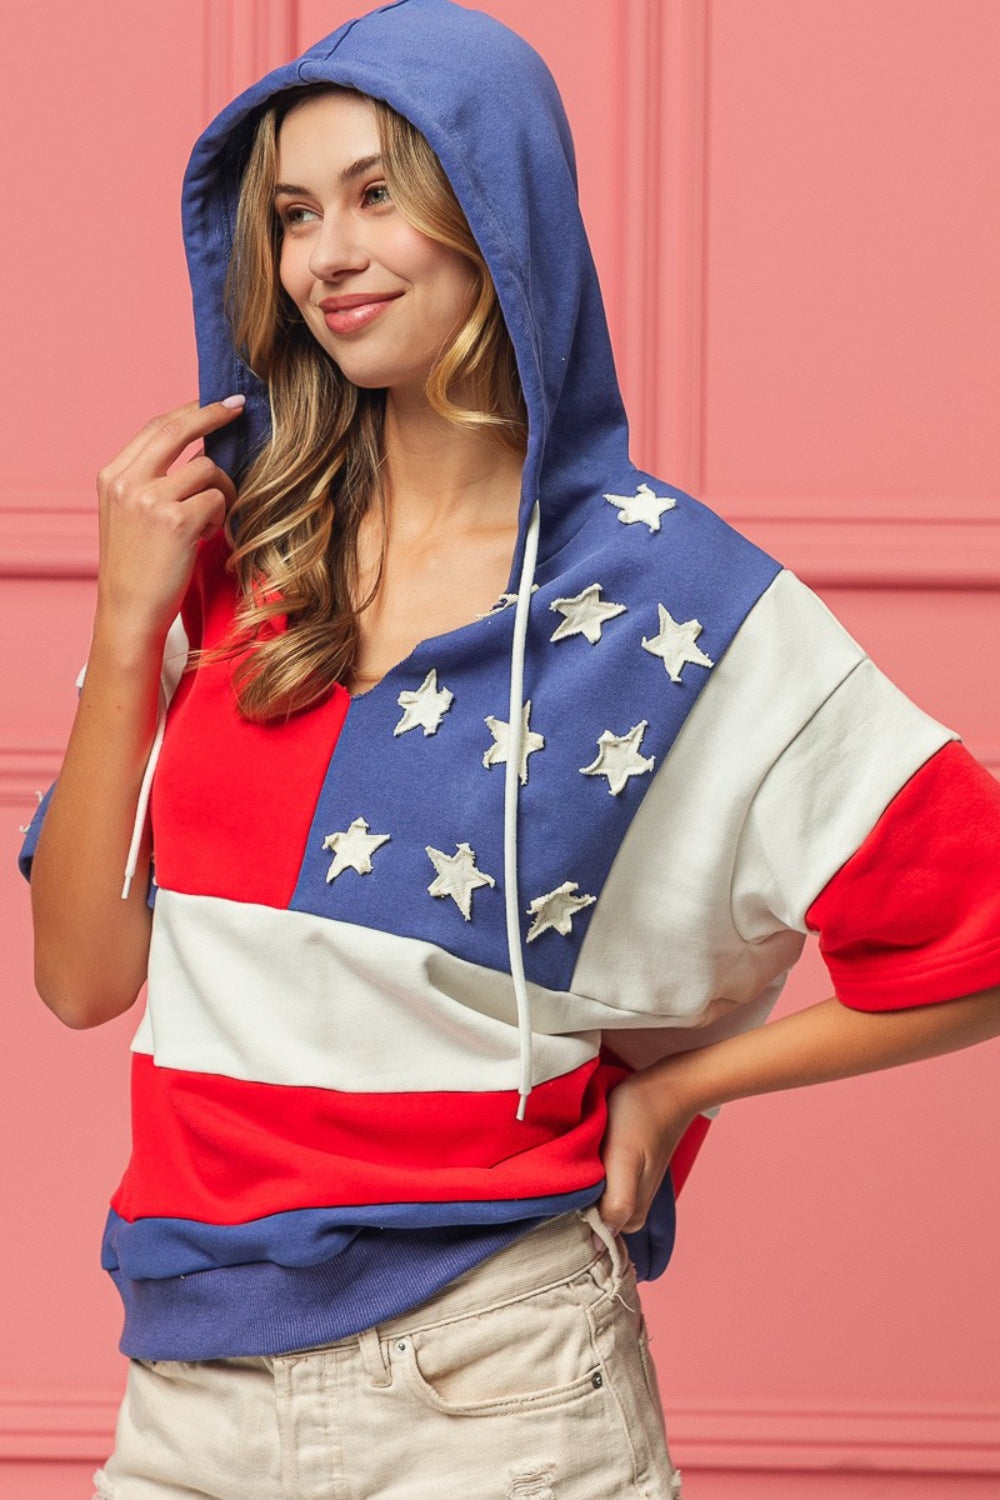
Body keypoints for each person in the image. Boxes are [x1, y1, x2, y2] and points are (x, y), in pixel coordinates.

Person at [20, 1, 1000, 1495]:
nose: (327, 256)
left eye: (376, 197)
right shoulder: (235, 555)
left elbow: (974, 932)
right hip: (189, 1387)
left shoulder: (675, 601)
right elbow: (84, 977)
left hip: (502, 1382)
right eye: (290, 215)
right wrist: (126, 615)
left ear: (497, 216)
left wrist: (676, 1092)